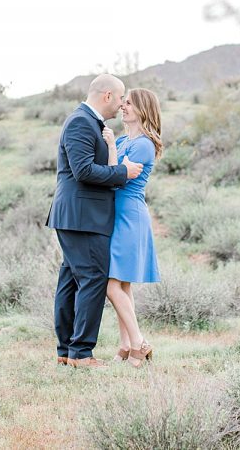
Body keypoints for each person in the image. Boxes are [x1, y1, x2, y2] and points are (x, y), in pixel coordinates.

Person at [47, 74, 144, 369]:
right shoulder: (80, 122)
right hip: (82, 217)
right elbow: (83, 171)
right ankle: (82, 354)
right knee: (92, 279)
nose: (121, 105)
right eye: (120, 98)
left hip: (80, 216)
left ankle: (67, 351)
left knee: (71, 280)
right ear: (107, 96)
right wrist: (121, 173)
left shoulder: (92, 124)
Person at [103, 88, 162, 368]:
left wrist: (112, 148)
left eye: (128, 103)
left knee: (111, 283)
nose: (122, 107)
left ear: (141, 109)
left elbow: (117, 179)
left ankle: (139, 343)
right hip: (116, 214)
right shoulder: (128, 139)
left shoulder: (144, 145)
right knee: (122, 283)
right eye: (122, 102)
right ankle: (126, 345)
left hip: (130, 214)